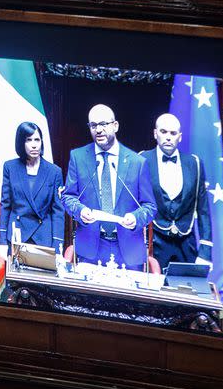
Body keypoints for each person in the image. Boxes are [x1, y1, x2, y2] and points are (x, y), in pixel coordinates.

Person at [61, 104, 156, 269]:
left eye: (104, 124)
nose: (98, 130)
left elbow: (150, 207)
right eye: (93, 125)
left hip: (128, 250)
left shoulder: (137, 163)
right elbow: (68, 196)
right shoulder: (78, 157)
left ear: (115, 126)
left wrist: (135, 218)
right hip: (91, 249)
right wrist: (80, 210)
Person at [140, 113, 212, 269]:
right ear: (155, 133)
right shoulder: (142, 160)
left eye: (173, 133)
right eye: (163, 132)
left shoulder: (195, 163)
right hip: (154, 244)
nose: (168, 137)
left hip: (186, 245)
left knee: (186, 290)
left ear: (180, 137)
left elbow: (203, 210)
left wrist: (206, 251)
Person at [0, 122, 65, 259]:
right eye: (29, 140)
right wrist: (2, 240)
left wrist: (58, 247)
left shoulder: (54, 172)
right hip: (17, 236)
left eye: (37, 140)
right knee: (15, 280)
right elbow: (5, 205)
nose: (34, 145)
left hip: (43, 239)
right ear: (21, 143)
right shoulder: (10, 167)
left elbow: (58, 212)